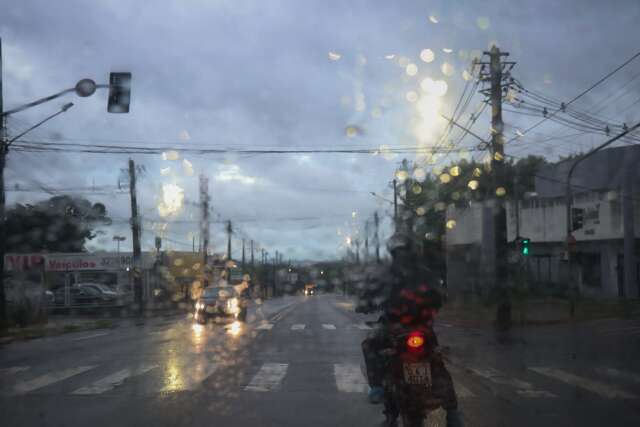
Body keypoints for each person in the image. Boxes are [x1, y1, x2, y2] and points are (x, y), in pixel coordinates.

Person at [358, 230, 463, 427]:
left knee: (370, 345)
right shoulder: (425, 272)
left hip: (394, 328)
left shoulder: (386, 274)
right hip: (423, 328)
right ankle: (453, 411)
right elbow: (440, 297)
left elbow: (367, 299)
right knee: (435, 360)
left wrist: (364, 305)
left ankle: (378, 388)